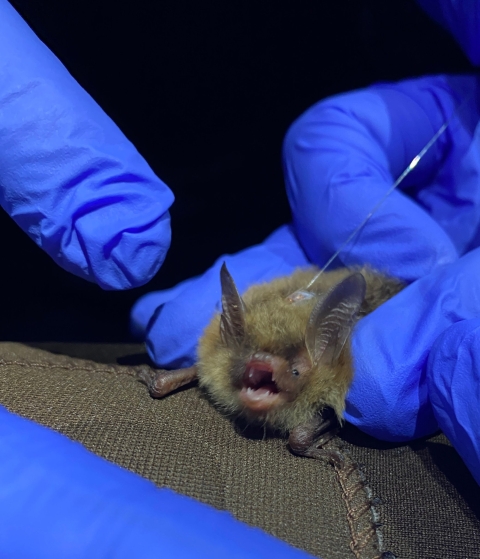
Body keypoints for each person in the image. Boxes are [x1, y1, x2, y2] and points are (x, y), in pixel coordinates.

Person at [0, 0, 478, 557]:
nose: (264, 370)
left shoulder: (327, 373)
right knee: (176, 334)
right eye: (261, 362)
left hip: (345, 326)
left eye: (285, 368)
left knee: (389, 381)